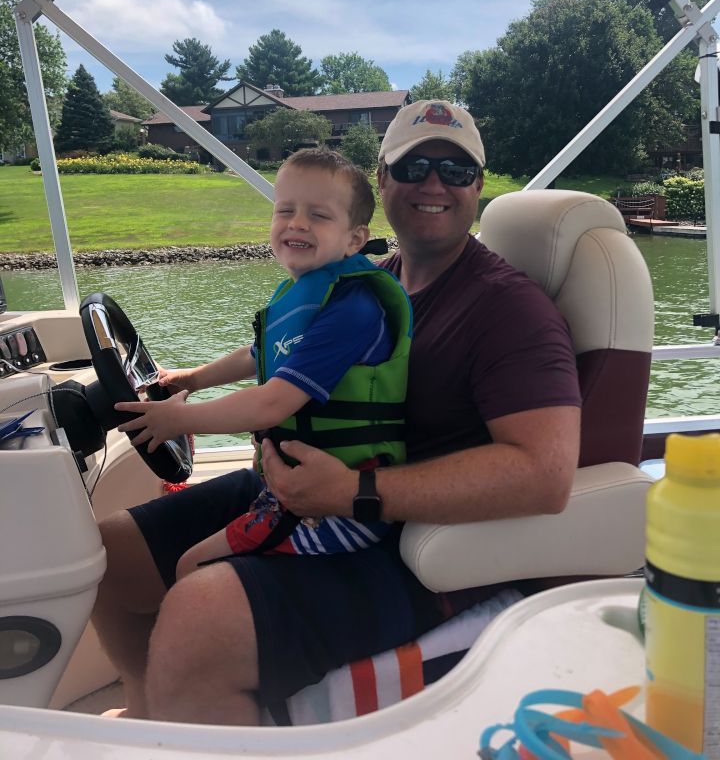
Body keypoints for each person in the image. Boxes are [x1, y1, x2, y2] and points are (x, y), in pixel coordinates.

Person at [93, 99, 581, 726]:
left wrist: (355, 491)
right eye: (414, 167)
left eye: (456, 170)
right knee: (109, 558)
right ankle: (146, 716)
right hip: (299, 487)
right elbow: (276, 350)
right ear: (382, 180)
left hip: (409, 538)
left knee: (200, 619)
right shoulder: (366, 279)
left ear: (478, 186)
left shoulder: (510, 310)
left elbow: (544, 474)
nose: (434, 184)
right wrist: (188, 379)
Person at [114, 147, 411, 564]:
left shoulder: (354, 310)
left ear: (355, 239)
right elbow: (259, 354)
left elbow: (271, 404)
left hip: (338, 510)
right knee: (135, 547)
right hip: (286, 487)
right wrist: (190, 379)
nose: (297, 223)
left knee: (192, 565)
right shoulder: (304, 295)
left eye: (318, 215)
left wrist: (179, 419)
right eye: (285, 210)